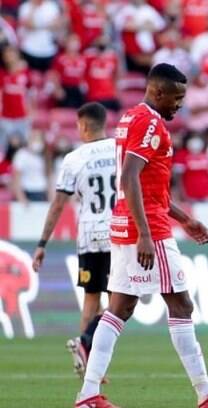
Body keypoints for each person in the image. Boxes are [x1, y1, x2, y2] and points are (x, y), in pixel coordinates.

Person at [73, 63, 208, 408]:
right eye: (177, 97)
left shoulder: (130, 117)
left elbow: (149, 187)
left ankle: (88, 393)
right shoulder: (150, 123)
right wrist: (144, 233)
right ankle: (206, 393)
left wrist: (185, 219)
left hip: (128, 223)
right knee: (181, 304)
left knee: (119, 308)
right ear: (158, 92)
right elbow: (129, 178)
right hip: (148, 230)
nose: (180, 104)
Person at [32, 103, 114, 379]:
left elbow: (58, 204)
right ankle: (88, 347)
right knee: (121, 305)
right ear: (105, 123)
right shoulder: (121, 150)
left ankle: (90, 362)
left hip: (90, 235)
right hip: (119, 234)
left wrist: (43, 243)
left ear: (82, 126)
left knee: (91, 300)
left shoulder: (74, 159)